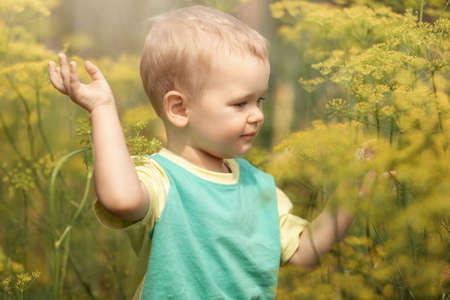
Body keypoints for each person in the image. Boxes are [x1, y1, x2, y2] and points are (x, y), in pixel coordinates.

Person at [48, 5, 366, 300]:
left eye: (260, 101)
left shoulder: (260, 188)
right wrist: (102, 108)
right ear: (179, 108)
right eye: (240, 103)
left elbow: (305, 253)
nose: (257, 115)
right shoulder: (161, 181)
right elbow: (120, 200)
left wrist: (353, 189)